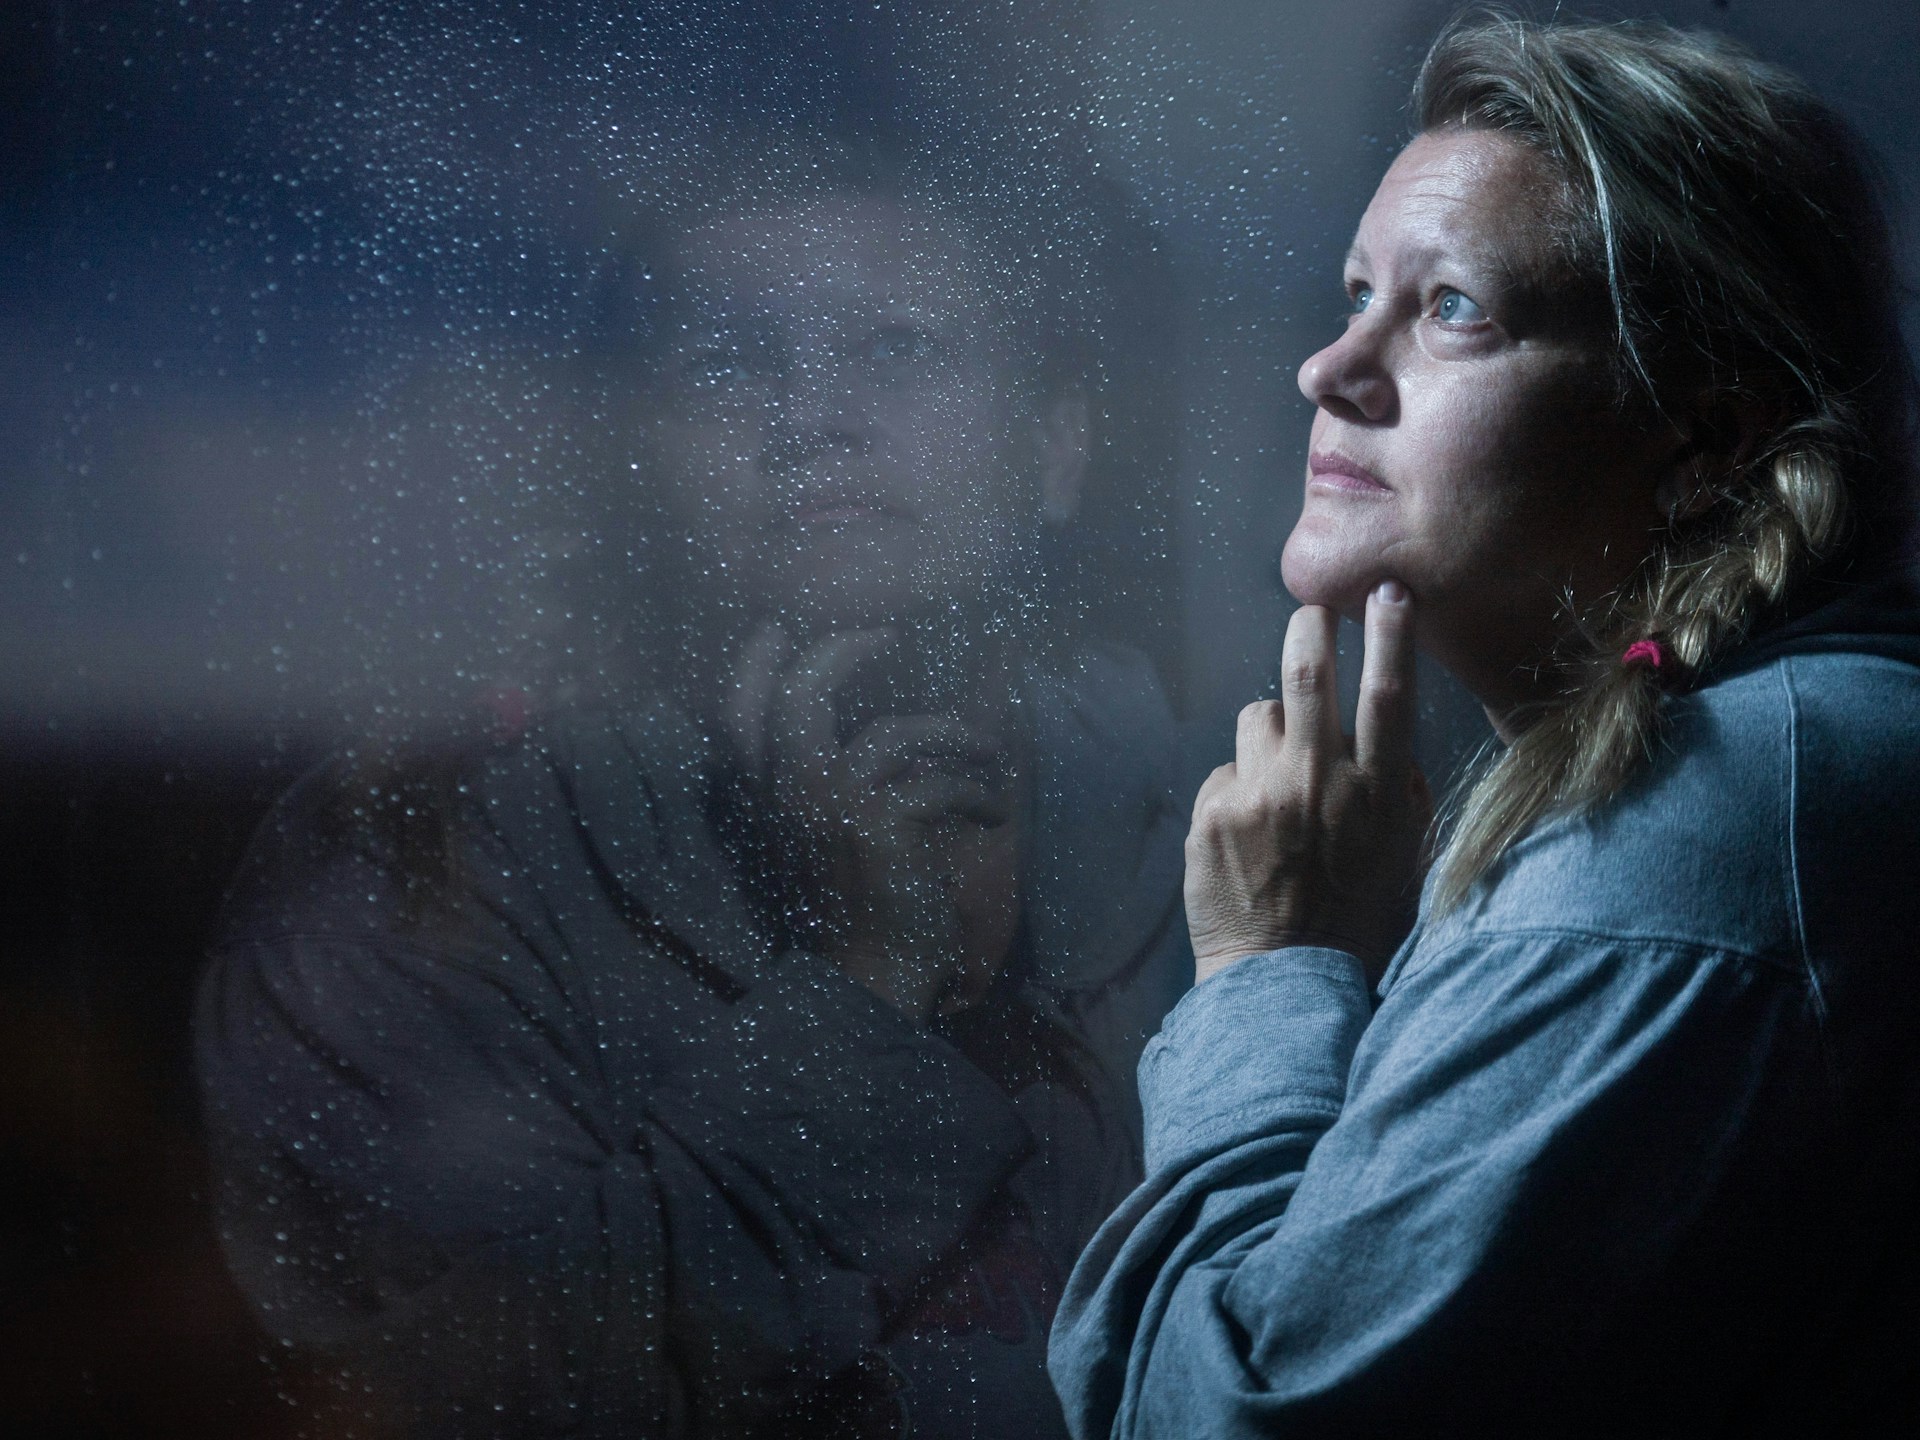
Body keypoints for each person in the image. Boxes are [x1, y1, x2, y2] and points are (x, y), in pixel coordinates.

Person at [196, 123, 1189, 1439]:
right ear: (634, 466)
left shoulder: (1272, 826)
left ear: (1059, 443)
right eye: (730, 361)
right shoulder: (420, 869)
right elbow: (450, 1392)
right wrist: (860, 996)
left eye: (892, 348)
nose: (812, 418)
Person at [1049, 14, 1920, 1437]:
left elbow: (1229, 1420)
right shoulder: (1791, 754)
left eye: (1453, 307)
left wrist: (1274, 970)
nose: (1329, 369)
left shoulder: (1699, 824)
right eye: (1354, 293)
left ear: (1708, 438)